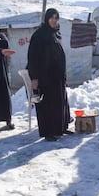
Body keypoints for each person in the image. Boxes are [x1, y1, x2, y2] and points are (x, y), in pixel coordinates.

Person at [27, 8, 73, 141]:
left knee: (60, 102)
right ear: (47, 19)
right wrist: (34, 78)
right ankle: (48, 132)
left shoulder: (56, 34)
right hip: (44, 77)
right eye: (51, 18)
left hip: (57, 76)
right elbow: (32, 58)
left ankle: (61, 128)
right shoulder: (39, 35)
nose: (54, 20)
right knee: (48, 105)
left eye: (56, 18)